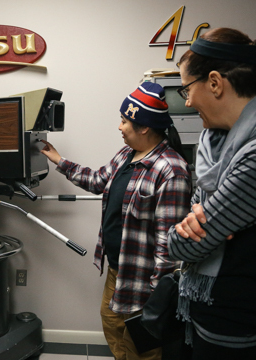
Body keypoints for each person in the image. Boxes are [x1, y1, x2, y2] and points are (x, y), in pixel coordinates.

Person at [167, 27, 256, 360]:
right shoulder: (220, 146)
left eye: (187, 88)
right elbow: (203, 215)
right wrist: (203, 219)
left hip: (239, 335)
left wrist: (184, 231)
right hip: (212, 322)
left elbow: (187, 244)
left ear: (215, 83)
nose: (187, 101)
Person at [41, 82, 192, 360]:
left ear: (144, 126)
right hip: (117, 269)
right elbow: (98, 180)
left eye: (124, 121)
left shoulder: (171, 170)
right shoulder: (127, 154)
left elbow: (169, 242)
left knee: (141, 346)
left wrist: (158, 295)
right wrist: (59, 160)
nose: (119, 127)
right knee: (112, 326)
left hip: (146, 279)